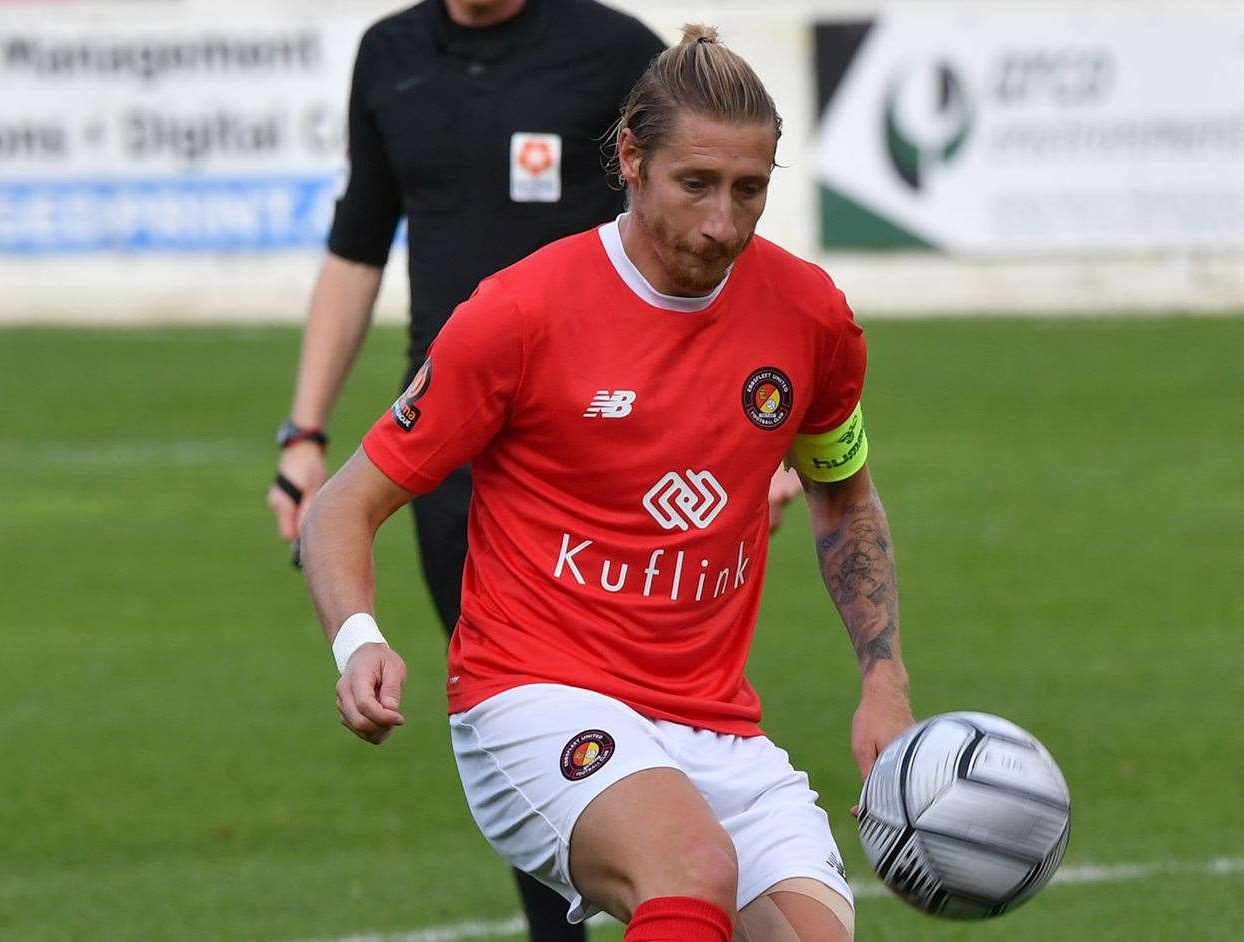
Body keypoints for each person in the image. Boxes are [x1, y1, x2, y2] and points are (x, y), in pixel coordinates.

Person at [300, 26, 914, 942]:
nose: (722, 222)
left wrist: (883, 678)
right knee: (690, 872)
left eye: (749, 190)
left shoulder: (811, 316)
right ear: (629, 158)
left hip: (713, 722)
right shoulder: (519, 313)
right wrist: (358, 640)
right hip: (532, 696)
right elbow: (343, 504)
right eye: (695, 185)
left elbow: (841, 493)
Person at [266, 2, 666, 939]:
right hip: (452, 458)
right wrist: (305, 431)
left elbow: (696, 233)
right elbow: (358, 246)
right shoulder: (389, 54)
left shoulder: (615, 51)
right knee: (510, 715)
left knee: (651, 706)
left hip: (609, 449)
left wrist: (742, 435)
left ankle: (676, 895)